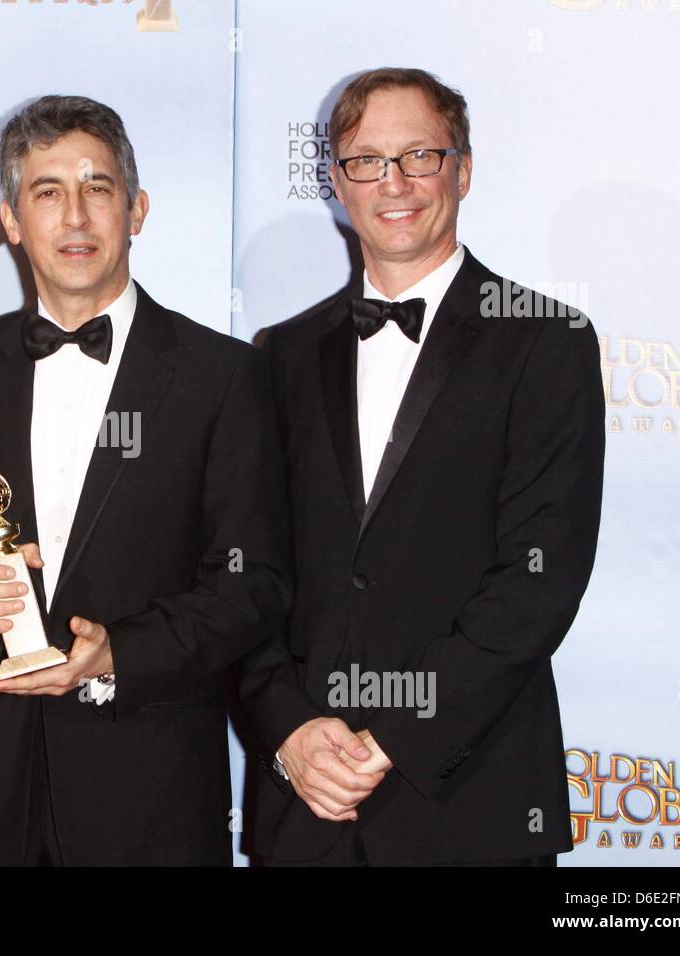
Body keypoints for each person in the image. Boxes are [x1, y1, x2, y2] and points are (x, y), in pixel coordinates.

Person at [0, 94, 290, 865]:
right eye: (47, 193)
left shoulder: (225, 378)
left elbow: (255, 584)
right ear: (10, 219)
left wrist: (120, 653)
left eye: (97, 188)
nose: (75, 217)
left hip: (152, 797)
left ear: (136, 210)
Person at [241, 68, 605, 866]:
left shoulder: (546, 342)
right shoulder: (283, 355)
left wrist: (398, 736)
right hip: (307, 806)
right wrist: (290, 730)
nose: (393, 182)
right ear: (336, 183)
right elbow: (245, 572)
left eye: (419, 155)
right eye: (366, 160)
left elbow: (539, 582)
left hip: (473, 800)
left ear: (463, 169)